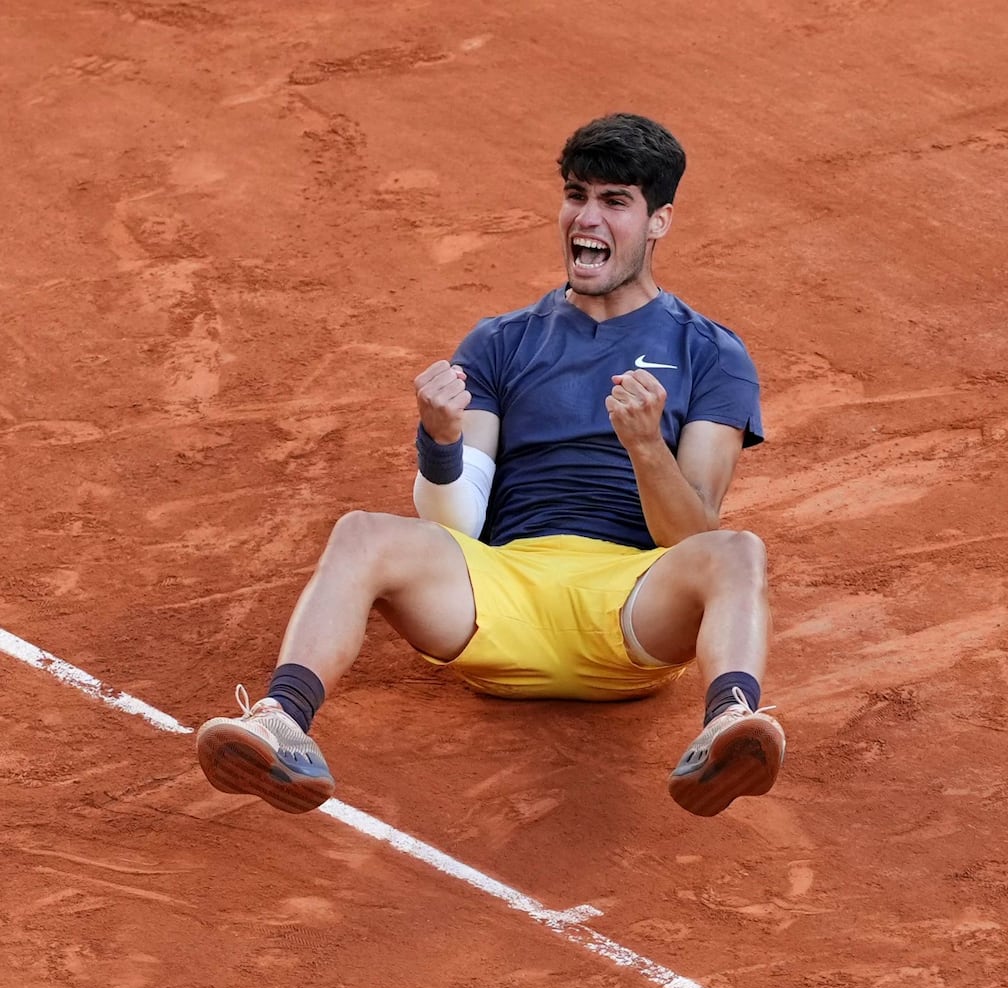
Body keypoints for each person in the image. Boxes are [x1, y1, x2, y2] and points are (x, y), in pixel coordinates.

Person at [196, 113, 785, 819]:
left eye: (614, 201)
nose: (586, 218)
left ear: (658, 221)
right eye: (576, 194)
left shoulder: (711, 353)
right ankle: (281, 721)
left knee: (738, 552)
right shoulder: (500, 342)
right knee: (360, 532)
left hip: (630, 610)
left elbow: (691, 538)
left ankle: (727, 725)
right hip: (499, 598)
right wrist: (440, 442)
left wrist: (644, 446)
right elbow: (457, 520)